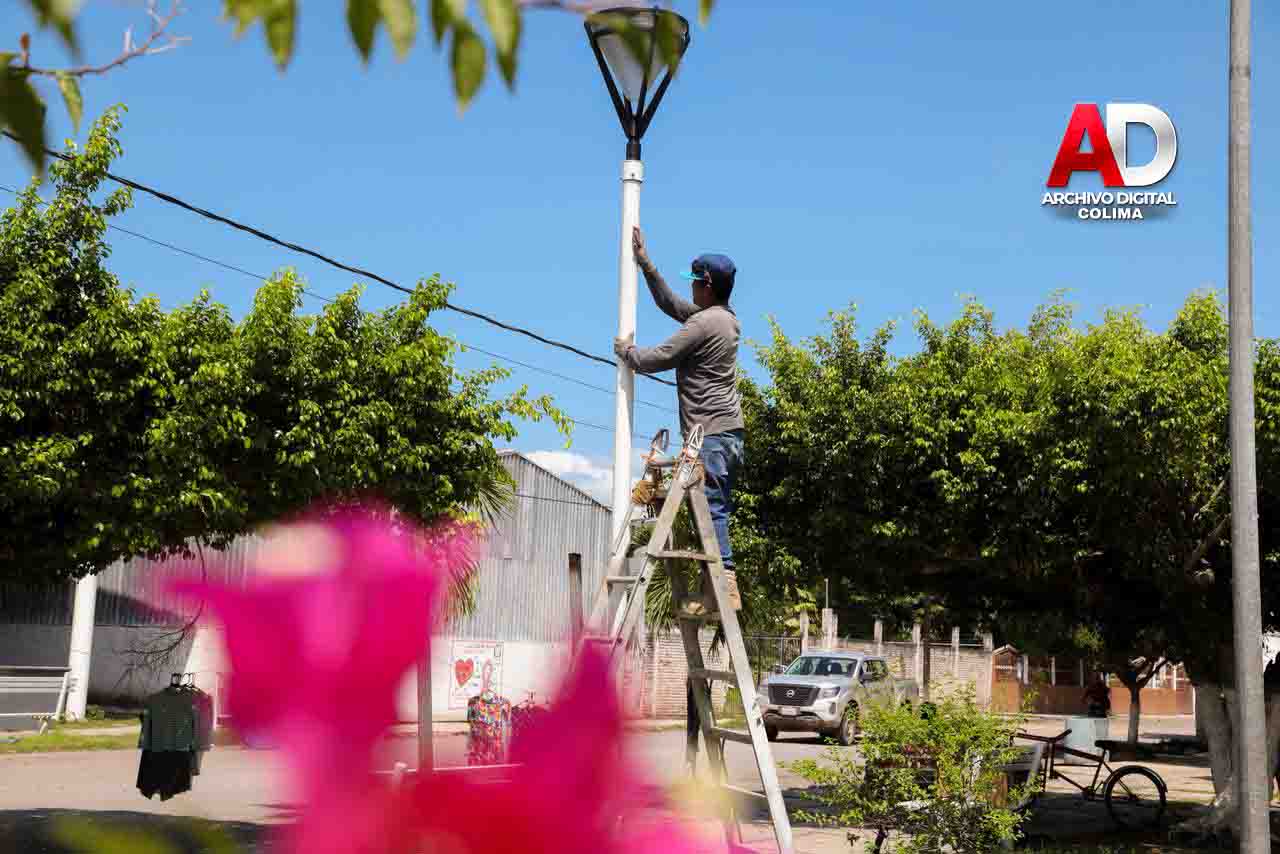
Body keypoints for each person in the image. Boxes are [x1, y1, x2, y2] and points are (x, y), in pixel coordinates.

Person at [614, 227, 744, 615]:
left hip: (711, 435)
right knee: (713, 510)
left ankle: (725, 586)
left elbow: (662, 356)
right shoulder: (723, 319)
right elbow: (670, 304)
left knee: (712, 510)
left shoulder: (704, 324)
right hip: (728, 433)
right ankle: (713, 591)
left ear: (707, 286)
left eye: (695, 283)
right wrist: (646, 265)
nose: (690, 289)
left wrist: (628, 353)